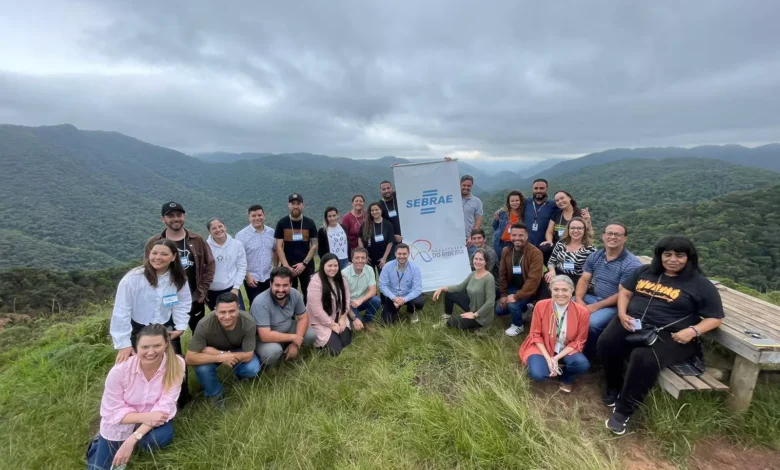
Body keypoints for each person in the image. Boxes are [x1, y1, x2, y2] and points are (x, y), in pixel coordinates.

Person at [598, 236, 724, 435]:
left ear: (689, 258)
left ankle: (623, 411)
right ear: (660, 256)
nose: (673, 259)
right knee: (607, 343)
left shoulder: (700, 284)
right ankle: (614, 386)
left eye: (679, 255)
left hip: (670, 333)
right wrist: (622, 314)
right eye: (667, 254)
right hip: (632, 321)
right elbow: (625, 293)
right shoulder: (645, 271)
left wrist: (692, 331)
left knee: (643, 358)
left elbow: (715, 318)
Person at [86, 324, 185, 470]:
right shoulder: (119, 372)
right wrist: (145, 417)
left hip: (156, 418)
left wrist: (133, 439)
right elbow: (111, 413)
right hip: (123, 420)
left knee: (156, 440)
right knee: (100, 468)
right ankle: (98, 442)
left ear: (166, 344)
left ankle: (134, 442)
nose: (151, 352)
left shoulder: (176, 364)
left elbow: (165, 406)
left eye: (157, 345)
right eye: (144, 347)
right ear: (134, 349)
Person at [145, 201, 215, 333]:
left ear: (184, 217)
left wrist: (202, 290)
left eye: (179, 215)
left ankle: (197, 354)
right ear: (163, 219)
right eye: (171, 216)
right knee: (169, 338)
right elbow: (148, 270)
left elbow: (210, 264)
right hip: (166, 301)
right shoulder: (154, 242)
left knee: (201, 334)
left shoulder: (197, 240)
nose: (176, 218)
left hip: (194, 298)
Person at [575, 223, 642, 355]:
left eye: (617, 234)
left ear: (625, 239)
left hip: (615, 304)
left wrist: (595, 307)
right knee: (563, 305)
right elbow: (584, 279)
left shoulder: (631, 264)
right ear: (603, 236)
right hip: (593, 297)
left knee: (592, 323)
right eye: (609, 233)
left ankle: (587, 353)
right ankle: (564, 344)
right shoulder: (596, 256)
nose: (612, 237)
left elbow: (623, 294)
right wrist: (578, 299)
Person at [185, 292, 260, 407]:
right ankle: (216, 396)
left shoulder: (248, 321)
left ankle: (241, 376)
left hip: (228, 351)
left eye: (232, 311)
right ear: (215, 310)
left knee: (252, 368)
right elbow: (189, 358)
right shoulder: (204, 325)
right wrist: (220, 357)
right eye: (222, 312)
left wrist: (221, 354)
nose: (227, 316)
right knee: (203, 369)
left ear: (238, 309)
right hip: (212, 355)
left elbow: (248, 355)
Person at [518, 275, 590, 392]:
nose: (560, 293)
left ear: (572, 291)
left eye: (565, 290)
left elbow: (578, 341)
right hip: (542, 346)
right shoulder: (541, 305)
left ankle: (566, 377)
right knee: (538, 375)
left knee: (582, 364)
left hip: (565, 348)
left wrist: (555, 358)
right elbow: (535, 335)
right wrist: (548, 358)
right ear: (551, 290)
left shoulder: (583, 312)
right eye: (556, 289)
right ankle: (547, 365)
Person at [251, 266, 317, 369]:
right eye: (277, 285)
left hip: (287, 328)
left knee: (312, 334)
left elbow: (303, 318)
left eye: (285, 285)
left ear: (290, 284)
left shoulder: (295, 294)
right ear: (271, 284)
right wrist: (294, 338)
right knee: (273, 352)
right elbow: (265, 335)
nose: (281, 290)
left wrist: (295, 344)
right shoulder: (260, 302)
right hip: (264, 338)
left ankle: (289, 349)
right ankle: (267, 360)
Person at [496, 223, 544, 337]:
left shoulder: (535, 253)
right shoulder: (506, 251)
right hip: (513, 287)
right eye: (514, 235)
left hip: (530, 290)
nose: (517, 238)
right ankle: (526, 308)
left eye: (521, 235)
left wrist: (516, 296)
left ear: (526, 236)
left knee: (513, 304)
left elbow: (533, 280)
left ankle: (518, 325)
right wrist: (503, 294)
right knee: (499, 310)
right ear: (510, 236)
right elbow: (502, 274)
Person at [432, 249, 495, 330]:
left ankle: (484, 327)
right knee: (450, 293)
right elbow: (459, 287)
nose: (477, 261)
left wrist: (474, 315)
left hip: (482, 315)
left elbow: (490, 302)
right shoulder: (473, 274)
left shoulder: (489, 278)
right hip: (472, 307)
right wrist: (442, 288)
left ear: (486, 262)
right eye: (476, 259)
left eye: (481, 259)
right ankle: (446, 318)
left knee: (451, 323)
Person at [307, 253, 357, 356]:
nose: (333, 268)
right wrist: (332, 325)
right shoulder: (315, 282)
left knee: (346, 342)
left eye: (335, 266)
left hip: (338, 315)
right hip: (320, 320)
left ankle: (335, 335)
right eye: (329, 266)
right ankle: (321, 344)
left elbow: (347, 301)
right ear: (323, 265)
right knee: (336, 351)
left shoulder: (342, 279)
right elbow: (316, 310)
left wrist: (342, 318)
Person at [274, 193, 318, 302]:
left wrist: (304, 263)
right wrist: (286, 266)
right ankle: (290, 315)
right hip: (288, 264)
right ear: (288, 205)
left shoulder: (310, 223)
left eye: (298, 203)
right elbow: (279, 247)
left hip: (306, 265)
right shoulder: (282, 223)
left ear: (303, 205)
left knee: (308, 291)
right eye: (293, 203)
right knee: (288, 291)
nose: (295, 206)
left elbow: (314, 245)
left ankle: (308, 314)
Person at [235, 204, 278, 307]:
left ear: (264, 215)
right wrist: (247, 275)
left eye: (259, 215)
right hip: (252, 278)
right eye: (253, 216)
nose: (257, 218)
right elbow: (238, 258)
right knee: (256, 305)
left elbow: (275, 250)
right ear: (249, 217)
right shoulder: (241, 235)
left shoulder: (272, 232)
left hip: (268, 275)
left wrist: (276, 268)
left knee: (271, 303)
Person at [206, 218, 247, 311]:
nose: (218, 230)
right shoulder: (205, 247)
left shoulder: (237, 244)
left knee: (239, 314)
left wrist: (236, 288)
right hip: (212, 291)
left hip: (231, 288)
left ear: (225, 227)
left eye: (220, 226)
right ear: (209, 231)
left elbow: (242, 266)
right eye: (214, 228)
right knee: (219, 319)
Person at [379, 243, 425, 323]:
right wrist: (394, 298)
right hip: (393, 296)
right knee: (386, 323)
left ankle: (411, 311)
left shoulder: (415, 268)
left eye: (404, 254)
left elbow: (417, 289)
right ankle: (393, 311)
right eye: (399, 254)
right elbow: (382, 286)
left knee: (419, 302)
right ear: (395, 254)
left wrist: (403, 300)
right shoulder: (387, 267)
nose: (402, 256)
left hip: (408, 296)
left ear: (408, 254)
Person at [544, 217, 597, 288]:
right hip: (558, 275)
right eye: (572, 228)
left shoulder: (591, 249)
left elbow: (594, 272)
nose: (575, 231)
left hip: (578, 280)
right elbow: (551, 261)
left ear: (585, 230)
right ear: (568, 230)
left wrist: (587, 286)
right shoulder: (561, 243)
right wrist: (552, 271)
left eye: (579, 228)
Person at [342, 247, 381, 329]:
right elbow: (343, 300)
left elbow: (373, 290)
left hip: (361, 301)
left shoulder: (369, 269)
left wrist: (361, 300)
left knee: (376, 300)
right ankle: (354, 318)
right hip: (348, 304)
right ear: (352, 259)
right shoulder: (344, 274)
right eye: (357, 258)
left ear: (366, 259)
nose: (360, 261)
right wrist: (354, 318)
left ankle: (367, 321)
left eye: (363, 258)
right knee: (356, 327)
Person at [523, 179, 558, 263]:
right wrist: (500, 211)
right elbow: (511, 204)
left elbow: (568, 210)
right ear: (532, 189)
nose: (538, 191)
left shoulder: (554, 205)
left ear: (547, 189)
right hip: (526, 245)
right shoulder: (526, 202)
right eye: (536, 188)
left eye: (542, 188)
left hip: (544, 247)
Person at [362, 201, 394, 272]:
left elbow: (390, 242)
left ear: (381, 210)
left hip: (383, 258)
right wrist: (363, 255)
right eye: (372, 210)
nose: (374, 212)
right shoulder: (366, 224)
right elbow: (360, 239)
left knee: (384, 280)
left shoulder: (388, 224)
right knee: (370, 280)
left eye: (376, 210)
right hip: (369, 258)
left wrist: (384, 258)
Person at [492, 190, 525, 256]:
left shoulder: (523, 214)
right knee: (501, 263)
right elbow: (495, 225)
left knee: (513, 263)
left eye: (517, 200)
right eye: (512, 201)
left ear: (521, 201)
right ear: (508, 202)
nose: (514, 203)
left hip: (514, 243)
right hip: (499, 243)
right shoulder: (502, 213)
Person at [379, 180, 402, 258]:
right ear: (380, 191)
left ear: (392, 188)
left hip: (409, 236)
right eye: (384, 189)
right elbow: (381, 226)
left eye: (388, 188)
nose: (386, 191)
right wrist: (392, 236)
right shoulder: (379, 206)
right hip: (394, 241)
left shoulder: (400, 196)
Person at [460, 175, 484, 244]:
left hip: (469, 240)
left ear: (472, 186)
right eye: (464, 185)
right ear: (460, 185)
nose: (466, 187)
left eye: (469, 186)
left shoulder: (477, 201)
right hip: (453, 238)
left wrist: (472, 236)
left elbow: (478, 221)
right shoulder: (452, 199)